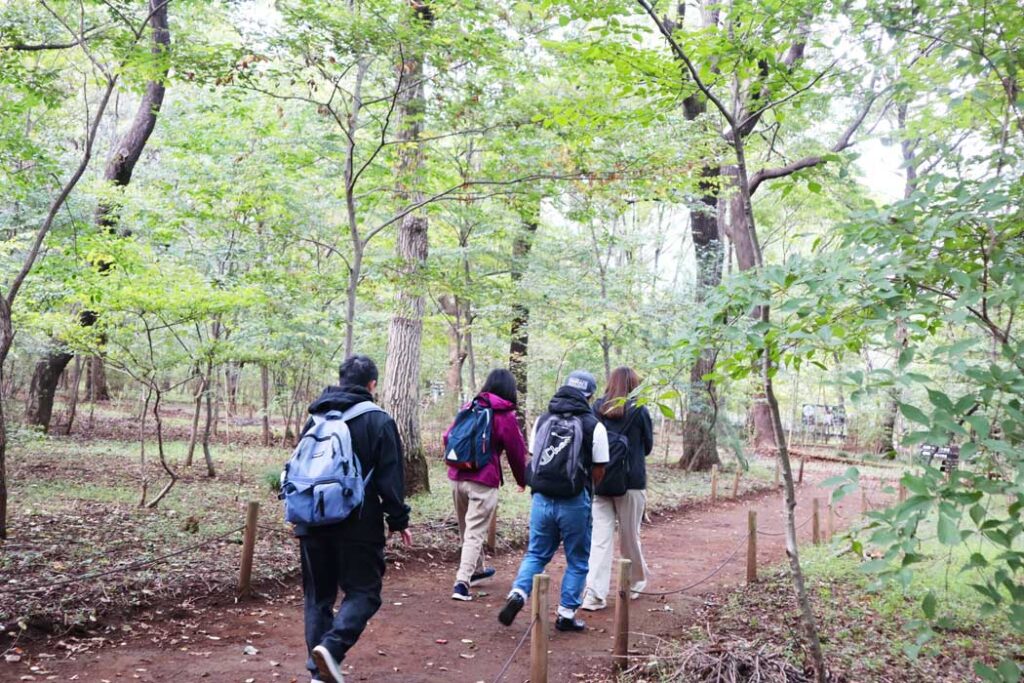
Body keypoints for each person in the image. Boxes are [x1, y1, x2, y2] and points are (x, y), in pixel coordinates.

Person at [295, 355, 412, 683]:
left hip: (311, 518)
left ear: (341, 380)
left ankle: (318, 674)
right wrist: (399, 520)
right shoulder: (378, 420)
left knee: (318, 597)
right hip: (357, 523)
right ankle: (331, 649)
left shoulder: (316, 417)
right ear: (372, 384)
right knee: (364, 592)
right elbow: (391, 479)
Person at [497, 370, 609, 633]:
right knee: (577, 560)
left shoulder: (543, 419)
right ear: (590, 395)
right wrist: (586, 488)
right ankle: (566, 614)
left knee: (536, 553)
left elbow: (534, 458)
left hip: (542, 498)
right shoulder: (594, 425)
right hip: (574, 501)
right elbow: (599, 468)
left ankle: (518, 593)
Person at [444, 368, 528, 601]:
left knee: (467, 529)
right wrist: (522, 480)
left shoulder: (469, 406)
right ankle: (462, 583)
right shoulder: (505, 415)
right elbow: (516, 452)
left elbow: (447, 436)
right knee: (474, 532)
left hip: (457, 477)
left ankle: (477, 571)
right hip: (483, 481)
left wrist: (457, 462)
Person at [581, 366, 654, 611]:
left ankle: (594, 595)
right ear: (634, 385)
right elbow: (647, 447)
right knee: (630, 537)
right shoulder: (640, 409)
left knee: (599, 540)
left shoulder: (596, 408)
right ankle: (634, 583)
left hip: (600, 481)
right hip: (632, 483)